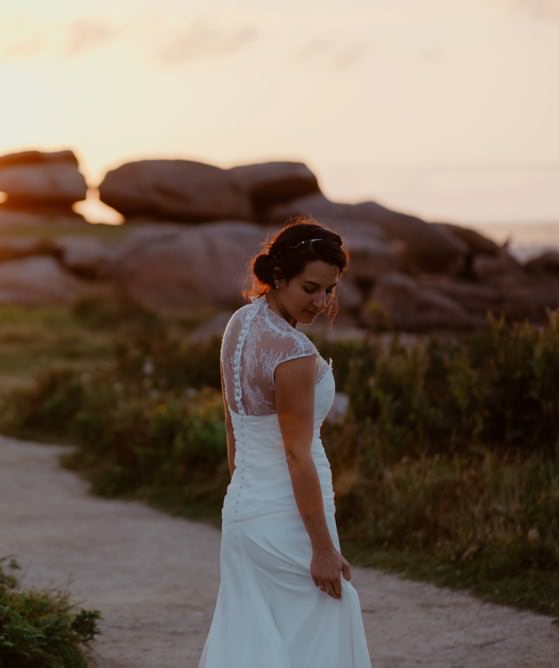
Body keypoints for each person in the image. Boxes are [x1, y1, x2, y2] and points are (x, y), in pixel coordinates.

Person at [200, 217, 371, 667]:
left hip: (244, 511)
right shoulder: (292, 352)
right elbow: (296, 454)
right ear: (278, 277)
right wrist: (322, 550)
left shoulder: (240, 324)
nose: (321, 301)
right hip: (290, 518)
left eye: (329, 290)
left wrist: (247, 493)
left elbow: (233, 426)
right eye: (310, 288)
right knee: (324, 631)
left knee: (255, 642)